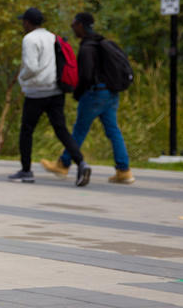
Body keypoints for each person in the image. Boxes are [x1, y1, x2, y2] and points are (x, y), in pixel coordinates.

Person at [42, 12, 135, 184]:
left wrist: (77, 94)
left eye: (73, 25)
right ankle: (124, 170)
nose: (72, 28)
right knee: (113, 131)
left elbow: (85, 76)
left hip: (94, 94)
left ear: (80, 25)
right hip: (110, 94)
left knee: (79, 130)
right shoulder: (101, 43)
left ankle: (63, 164)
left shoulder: (87, 48)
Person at [9, 7, 91, 186]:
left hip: (37, 92)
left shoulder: (29, 39)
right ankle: (81, 162)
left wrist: (21, 78)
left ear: (27, 22)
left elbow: (31, 67)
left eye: (24, 21)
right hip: (56, 91)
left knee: (27, 130)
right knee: (61, 129)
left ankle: (26, 170)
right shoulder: (52, 36)